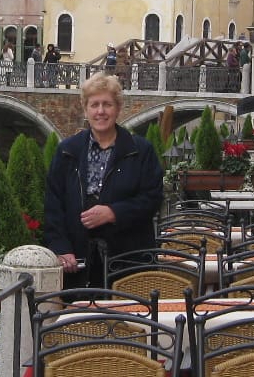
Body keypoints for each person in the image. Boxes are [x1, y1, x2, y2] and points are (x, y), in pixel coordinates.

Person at [44, 72, 164, 288]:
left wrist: (113, 213)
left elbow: (152, 198)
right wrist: (61, 248)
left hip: (129, 262)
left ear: (118, 108)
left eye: (107, 104)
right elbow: (53, 205)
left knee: (128, 310)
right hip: (78, 264)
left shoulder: (141, 150)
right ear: (85, 109)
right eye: (94, 105)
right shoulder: (67, 151)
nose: (101, 111)